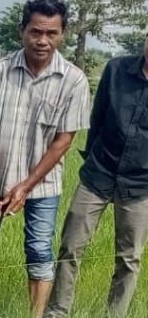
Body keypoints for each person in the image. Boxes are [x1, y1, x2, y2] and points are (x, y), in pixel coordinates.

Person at [0, 0, 90, 318]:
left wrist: (26, 187)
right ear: (22, 31)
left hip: (43, 187)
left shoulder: (73, 81)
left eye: (51, 33)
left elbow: (63, 142)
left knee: (39, 251)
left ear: (62, 34)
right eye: (35, 32)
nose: (42, 40)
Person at [46, 34, 148, 318]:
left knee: (129, 259)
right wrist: (91, 157)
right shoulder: (116, 70)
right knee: (70, 246)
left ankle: (115, 315)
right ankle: (57, 312)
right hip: (98, 173)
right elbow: (98, 117)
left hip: (141, 185)